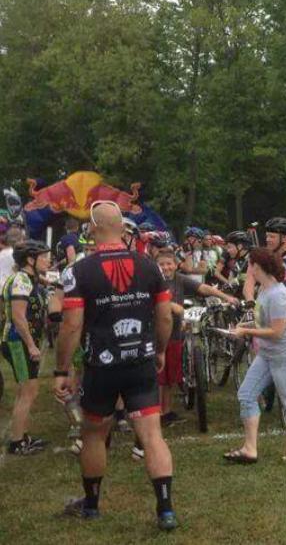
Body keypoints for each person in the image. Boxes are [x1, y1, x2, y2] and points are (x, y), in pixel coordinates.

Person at [54, 200, 177, 530]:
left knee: (94, 434)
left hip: (101, 366)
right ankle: (165, 509)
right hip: (141, 361)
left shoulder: (79, 270)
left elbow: (71, 325)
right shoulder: (149, 266)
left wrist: (62, 369)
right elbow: (164, 316)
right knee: (152, 435)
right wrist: (161, 351)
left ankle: (92, 505)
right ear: (123, 229)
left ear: (92, 229)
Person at [225, 248, 286, 463]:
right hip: (268, 354)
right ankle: (249, 449)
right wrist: (243, 325)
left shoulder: (279, 295)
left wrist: (245, 332)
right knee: (246, 395)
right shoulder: (264, 290)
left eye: (250, 265)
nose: (248, 269)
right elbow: (264, 322)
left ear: (257, 267)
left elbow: (277, 331)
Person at [155, 250, 238, 426]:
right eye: (161, 264)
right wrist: (172, 306)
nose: (165, 267)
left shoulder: (179, 279)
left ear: (176, 265)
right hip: (158, 335)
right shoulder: (154, 280)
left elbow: (202, 288)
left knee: (170, 378)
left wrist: (225, 297)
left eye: (168, 263)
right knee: (159, 379)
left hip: (176, 333)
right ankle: (157, 414)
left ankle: (167, 412)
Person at [3, 240, 52, 455]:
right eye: (44, 256)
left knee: (28, 390)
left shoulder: (29, 278)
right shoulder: (21, 280)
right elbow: (18, 317)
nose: (48, 260)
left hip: (23, 341)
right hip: (18, 341)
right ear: (30, 260)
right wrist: (32, 346)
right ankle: (17, 443)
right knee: (28, 391)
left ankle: (21, 435)